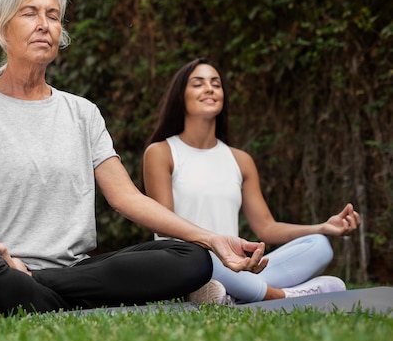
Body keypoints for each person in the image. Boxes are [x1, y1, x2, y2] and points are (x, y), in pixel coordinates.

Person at [0, 0, 268, 316]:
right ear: (2, 30)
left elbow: (127, 197)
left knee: (191, 259)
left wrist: (211, 239)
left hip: (76, 271)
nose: (44, 24)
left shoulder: (82, 113)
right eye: (30, 13)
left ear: (61, 34)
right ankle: (74, 299)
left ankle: (40, 285)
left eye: (53, 16)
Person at [142, 57, 362, 304]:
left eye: (216, 83)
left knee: (319, 245)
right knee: (202, 260)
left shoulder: (240, 159)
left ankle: (228, 293)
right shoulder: (161, 152)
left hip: (235, 269)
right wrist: (214, 246)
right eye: (198, 83)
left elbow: (266, 227)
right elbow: (163, 224)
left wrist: (321, 227)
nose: (210, 89)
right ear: (180, 96)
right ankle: (283, 295)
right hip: (187, 262)